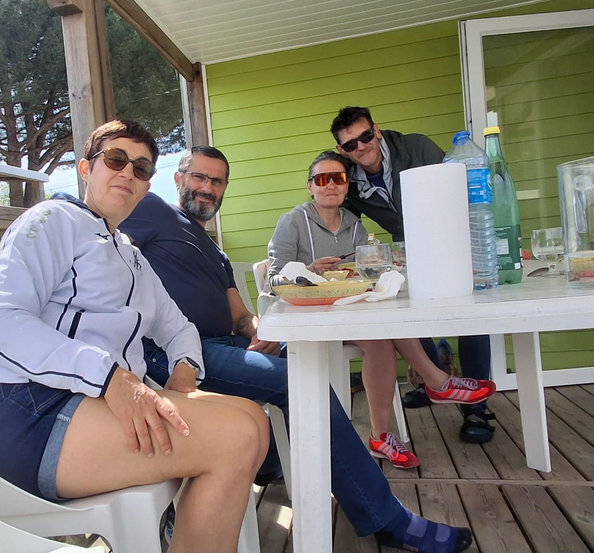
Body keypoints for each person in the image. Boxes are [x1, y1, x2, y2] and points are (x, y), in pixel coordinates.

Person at [121, 145, 474, 553]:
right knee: (299, 383)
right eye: (199, 177)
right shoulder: (154, 212)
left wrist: (263, 331)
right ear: (178, 179)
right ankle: (387, 519)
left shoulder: (215, 251)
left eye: (217, 181)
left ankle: (267, 461)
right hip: (178, 354)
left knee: (304, 365)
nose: (207, 188)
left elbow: (240, 314)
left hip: (225, 344)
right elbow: (90, 215)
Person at [0, 120, 269, 553]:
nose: (128, 172)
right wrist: (111, 377)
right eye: (115, 159)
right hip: (29, 413)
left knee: (253, 420)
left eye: (141, 168)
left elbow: (178, 326)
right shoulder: (53, 220)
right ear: (86, 169)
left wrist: (185, 373)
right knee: (234, 437)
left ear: (147, 186)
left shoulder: (129, 253)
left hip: (91, 407)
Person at [265, 150, 495, 469]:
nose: (330, 185)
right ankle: (436, 384)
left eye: (338, 178)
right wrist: (309, 270)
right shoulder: (292, 222)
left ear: (346, 185)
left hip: (350, 310)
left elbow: (363, 273)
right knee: (379, 338)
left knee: (386, 330)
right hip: (311, 319)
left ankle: (384, 435)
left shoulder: (354, 225)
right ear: (310, 186)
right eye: (322, 179)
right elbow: (274, 279)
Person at [331, 105, 499, 444]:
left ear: (377, 130)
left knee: (470, 317)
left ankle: (476, 408)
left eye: (366, 136)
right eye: (350, 144)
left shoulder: (416, 147)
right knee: (405, 309)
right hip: (407, 251)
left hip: (452, 240)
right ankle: (431, 378)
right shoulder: (349, 180)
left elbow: (456, 188)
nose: (361, 146)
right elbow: (343, 222)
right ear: (342, 149)